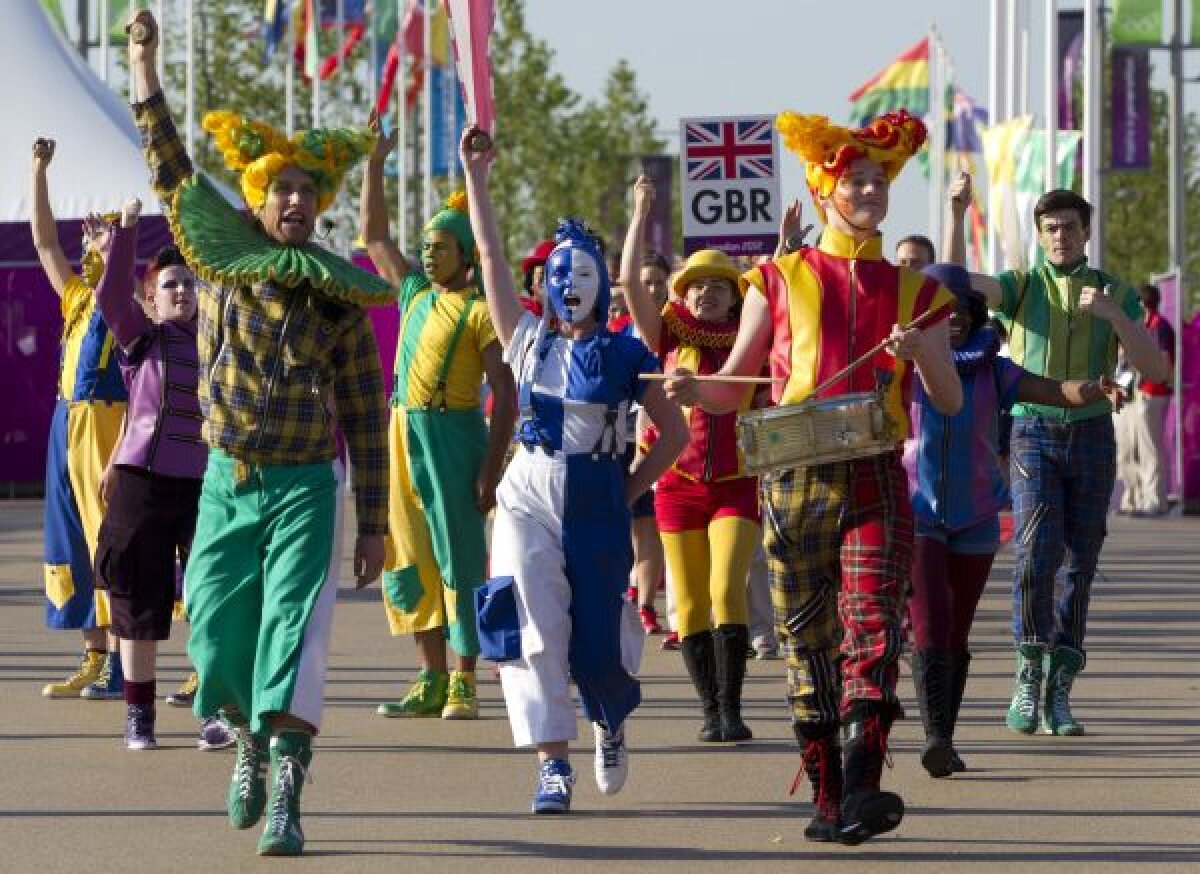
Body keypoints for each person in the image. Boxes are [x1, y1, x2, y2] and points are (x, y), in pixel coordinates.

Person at [129, 10, 390, 856]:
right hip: (228, 477)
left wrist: (378, 524)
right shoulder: (214, 256)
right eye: (284, 188)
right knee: (212, 627)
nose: (297, 202)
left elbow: (364, 412)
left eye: (310, 192)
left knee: (294, 634)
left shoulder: (337, 296)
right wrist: (144, 62)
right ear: (258, 195)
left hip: (308, 484)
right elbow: (169, 162)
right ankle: (243, 741)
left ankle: (287, 784)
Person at [667, 109, 961, 844]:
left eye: (877, 180)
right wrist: (689, 390)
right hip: (792, 476)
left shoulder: (917, 290)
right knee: (806, 637)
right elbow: (736, 386)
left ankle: (863, 784)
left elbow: (949, 398)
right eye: (854, 180)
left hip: (874, 475)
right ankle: (826, 797)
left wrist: (921, 349)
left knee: (872, 628)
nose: (867, 190)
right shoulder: (777, 274)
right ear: (826, 191)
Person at [462, 126, 688, 815]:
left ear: (599, 286)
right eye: (559, 272)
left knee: (597, 628)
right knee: (529, 620)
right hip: (526, 490)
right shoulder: (524, 338)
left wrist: (626, 489)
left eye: (581, 272)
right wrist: (477, 176)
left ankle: (609, 720)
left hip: (596, 495)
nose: (567, 284)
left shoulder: (624, 354)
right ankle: (550, 762)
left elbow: (674, 433)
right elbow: (490, 253)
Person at [968, 189, 1168, 737]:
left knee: (1080, 563)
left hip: (1093, 434)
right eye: (1051, 227)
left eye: (1070, 226)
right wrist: (961, 209)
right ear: (1039, 234)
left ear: (1086, 232)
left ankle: (1060, 688)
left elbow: (1155, 366)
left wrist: (1112, 315)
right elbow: (962, 284)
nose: (1061, 235)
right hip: (1033, 428)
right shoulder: (1021, 284)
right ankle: (1028, 673)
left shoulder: (1116, 291)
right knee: (1035, 553)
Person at [909, 262, 1122, 777]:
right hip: (917, 511)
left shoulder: (995, 370)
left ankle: (947, 735)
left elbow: (1054, 391)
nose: (953, 320)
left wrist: (1096, 388)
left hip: (978, 515)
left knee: (956, 632)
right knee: (930, 620)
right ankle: (935, 734)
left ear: (976, 314)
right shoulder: (903, 367)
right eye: (942, 313)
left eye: (962, 310)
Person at [359, 116, 516, 722]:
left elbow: (503, 391)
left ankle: (466, 680)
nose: (427, 253)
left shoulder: (479, 311)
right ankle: (429, 676)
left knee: (460, 559)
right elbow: (374, 237)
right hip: (402, 433)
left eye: (439, 245)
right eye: (424, 245)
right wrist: (376, 162)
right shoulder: (413, 294)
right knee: (409, 555)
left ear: (463, 255)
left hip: (453, 436)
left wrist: (491, 469)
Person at [623, 178, 763, 744]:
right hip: (677, 486)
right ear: (684, 293)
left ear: (735, 297)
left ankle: (732, 710)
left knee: (727, 590)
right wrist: (640, 214)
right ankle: (711, 712)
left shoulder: (751, 340)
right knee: (687, 602)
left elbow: (775, 291)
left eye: (719, 286)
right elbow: (632, 284)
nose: (708, 293)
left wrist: (783, 248)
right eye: (698, 284)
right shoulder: (664, 334)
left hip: (736, 485)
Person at [91, 199, 207, 750]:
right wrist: (127, 232)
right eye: (170, 286)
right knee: (137, 599)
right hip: (144, 484)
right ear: (151, 298)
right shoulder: (143, 338)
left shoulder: (219, 344)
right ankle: (139, 714)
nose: (182, 292)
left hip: (208, 487)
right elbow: (110, 296)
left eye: (188, 283)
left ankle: (217, 705)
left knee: (215, 595)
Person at [30, 138, 129, 701]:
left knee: (104, 539)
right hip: (63, 424)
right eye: (89, 233)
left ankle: (120, 660)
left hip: (103, 426)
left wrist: (116, 239)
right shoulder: (75, 297)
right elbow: (44, 241)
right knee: (68, 540)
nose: (87, 239)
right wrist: (37, 170)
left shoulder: (123, 303)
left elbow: (113, 267)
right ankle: (93, 656)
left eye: (100, 234)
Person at [1115, 284, 1175, 516]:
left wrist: (1162, 382)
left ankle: (1154, 500)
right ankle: (1133, 499)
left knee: (1150, 449)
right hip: (1135, 392)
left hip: (1152, 392)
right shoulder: (1144, 326)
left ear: (1142, 304)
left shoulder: (1159, 326)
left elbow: (1164, 363)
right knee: (1130, 449)